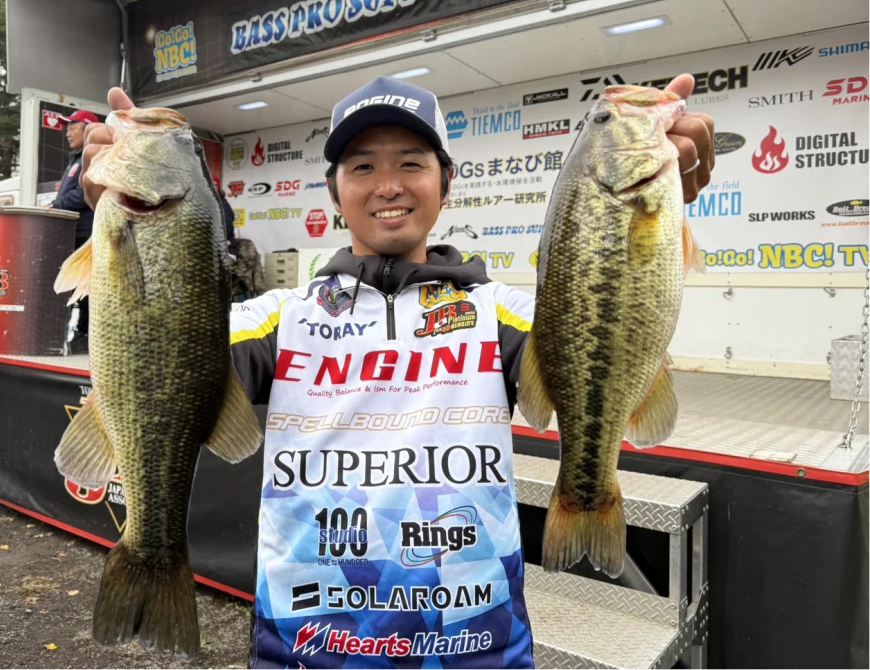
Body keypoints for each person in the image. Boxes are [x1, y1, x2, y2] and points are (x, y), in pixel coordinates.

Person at [78, 76, 715, 667]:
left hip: (476, 649)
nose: (388, 186)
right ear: (334, 193)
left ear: (446, 183)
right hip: (307, 650)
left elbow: (601, 332)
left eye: (411, 163)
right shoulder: (276, 320)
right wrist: (142, 234)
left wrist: (634, 225)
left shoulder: (505, 316)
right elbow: (164, 365)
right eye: (362, 167)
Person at [52, 110, 100, 353]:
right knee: (74, 287)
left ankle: (85, 336)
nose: (67, 133)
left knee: (87, 288)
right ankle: (72, 336)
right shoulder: (77, 158)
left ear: (89, 129)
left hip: (86, 233)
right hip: (71, 232)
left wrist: (55, 207)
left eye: (73, 127)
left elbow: (85, 192)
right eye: (67, 128)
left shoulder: (94, 155)